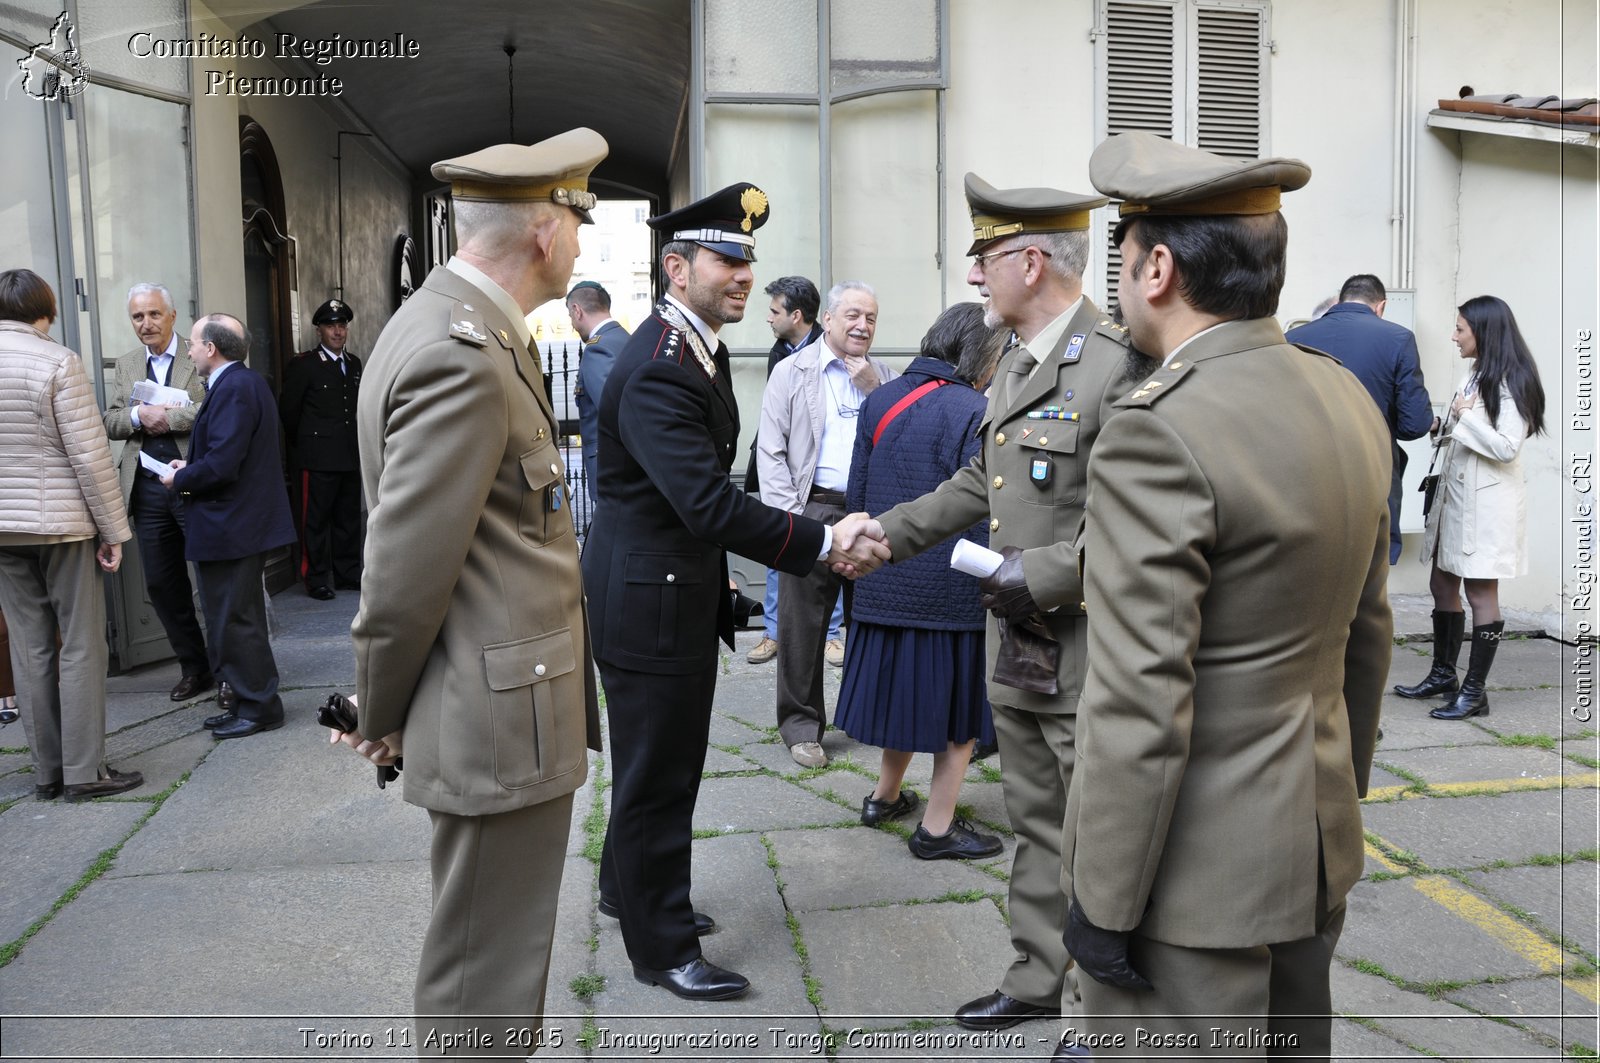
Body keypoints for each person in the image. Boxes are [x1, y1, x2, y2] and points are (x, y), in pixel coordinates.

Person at [1056, 131, 1392, 1060]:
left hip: (1192, 882)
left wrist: (1102, 900)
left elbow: (1138, 698)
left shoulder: (1159, 430)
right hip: (1311, 840)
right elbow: (1367, 639)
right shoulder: (1344, 397)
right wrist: (1334, 806)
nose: (1119, 280)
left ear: (1157, 267)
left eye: (1122, 258)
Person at [331, 129, 608, 1056]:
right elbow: (404, 574)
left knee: (491, 957)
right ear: (543, 229)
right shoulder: (463, 349)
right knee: (482, 974)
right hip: (498, 713)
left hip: (501, 700)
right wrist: (381, 707)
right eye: (578, 217)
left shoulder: (471, 327)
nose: (582, 240)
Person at [581, 182, 888, 1002]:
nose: (746, 274)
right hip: (649, 600)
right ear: (677, 268)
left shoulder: (692, 348)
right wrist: (823, 541)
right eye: (728, 258)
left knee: (653, 765)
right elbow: (709, 503)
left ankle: (626, 891)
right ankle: (661, 944)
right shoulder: (659, 366)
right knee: (661, 773)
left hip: (663, 589)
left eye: (750, 258)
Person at [869, 172, 1136, 1034]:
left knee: (1098, 840)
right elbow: (979, 484)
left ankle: (1097, 1019)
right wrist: (881, 536)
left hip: (1084, 649)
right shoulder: (1017, 361)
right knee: (1035, 823)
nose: (975, 276)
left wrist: (1046, 576)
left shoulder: (1115, 365)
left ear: (1031, 258)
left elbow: (1140, 526)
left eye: (985, 257)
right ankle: (1032, 979)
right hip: (1016, 644)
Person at [836, 302, 1004, 859]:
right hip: (949, 592)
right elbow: (980, 510)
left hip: (881, 578)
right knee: (959, 716)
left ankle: (883, 797)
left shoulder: (880, 397)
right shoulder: (975, 408)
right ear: (981, 355)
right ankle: (936, 829)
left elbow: (856, 497)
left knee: (903, 700)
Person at [0, 268, 142, 800]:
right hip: (61, 526)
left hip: (4, 529)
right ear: (47, 310)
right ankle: (85, 772)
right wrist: (114, 530)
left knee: (29, 646)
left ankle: (46, 773)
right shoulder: (58, 361)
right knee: (80, 645)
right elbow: (88, 455)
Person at [758, 280, 898, 767]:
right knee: (801, 626)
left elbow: (900, 440)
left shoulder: (884, 375)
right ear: (830, 320)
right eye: (855, 316)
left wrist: (875, 392)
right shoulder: (793, 370)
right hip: (811, 508)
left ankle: (866, 718)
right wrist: (791, 522)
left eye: (872, 319)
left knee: (874, 620)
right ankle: (801, 726)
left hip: (869, 514)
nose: (863, 326)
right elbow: (770, 451)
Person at [1399, 295, 1546, 721]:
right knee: (1442, 584)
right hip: (1457, 499)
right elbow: (1467, 430)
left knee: (1481, 593)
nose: (1454, 336)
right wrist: (1444, 424)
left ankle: (1475, 693)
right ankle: (1444, 674)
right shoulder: (1476, 372)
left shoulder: (1513, 378)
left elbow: (1505, 446)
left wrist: (1465, 418)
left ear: (1484, 331)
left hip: (1487, 505)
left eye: (1460, 328)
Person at [161, 314, 296, 741]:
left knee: (238, 620)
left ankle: (259, 707)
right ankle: (244, 700)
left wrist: (180, 477)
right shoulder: (239, 384)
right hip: (233, 524)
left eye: (193, 342)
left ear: (211, 349)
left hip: (233, 526)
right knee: (229, 618)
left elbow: (223, 464)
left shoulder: (235, 388)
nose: (188, 349)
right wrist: (192, 465)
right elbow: (224, 455)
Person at [103, 282, 212, 702]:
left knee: (212, 581)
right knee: (163, 586)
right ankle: (194, 668)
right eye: (137, 316)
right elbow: (111, 421)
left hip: (193, 485)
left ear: (171, 316)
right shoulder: (128, 364)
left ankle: (226, 672)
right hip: (147, 491)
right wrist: (136, 414)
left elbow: (211, 408)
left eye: (152, 314)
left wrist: (169, 418)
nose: (145, 324)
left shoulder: (198, 352)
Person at [1287, 273, 1437, 564]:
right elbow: (1414, 425)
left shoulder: (1293, 339)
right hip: (1372, 468)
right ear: (1380, 306)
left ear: (1340, 300)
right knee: (1370, 565)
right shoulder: (1398, 338)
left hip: (1307, 472)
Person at [744, 275, 827, 666]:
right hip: (782, 473)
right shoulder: (779, 353)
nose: (768, 318)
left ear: (797, 315)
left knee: (830, 555)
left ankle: (833, 636)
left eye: (774, 311)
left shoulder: (834, 350)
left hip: (822, 480)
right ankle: (774, 632)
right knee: (777, 550)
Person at [280, 297, 363, 600]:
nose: (338, 331)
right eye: (331, 326)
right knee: (314, 522)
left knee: (348, 520)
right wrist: (302, 449)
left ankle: (348, 575)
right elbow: (289, 412)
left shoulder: (354, 364)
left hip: (348, 456)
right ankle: (315, 579)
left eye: (341, 326)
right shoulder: (305, 365)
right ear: (319, 331)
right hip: (316, 459)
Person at [567, 280, 628, 504]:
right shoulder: (625, 339)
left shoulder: (598, 348)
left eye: (570, 316)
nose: (572, 324)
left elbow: (613, 411)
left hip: (611, 467)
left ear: (577, 310)